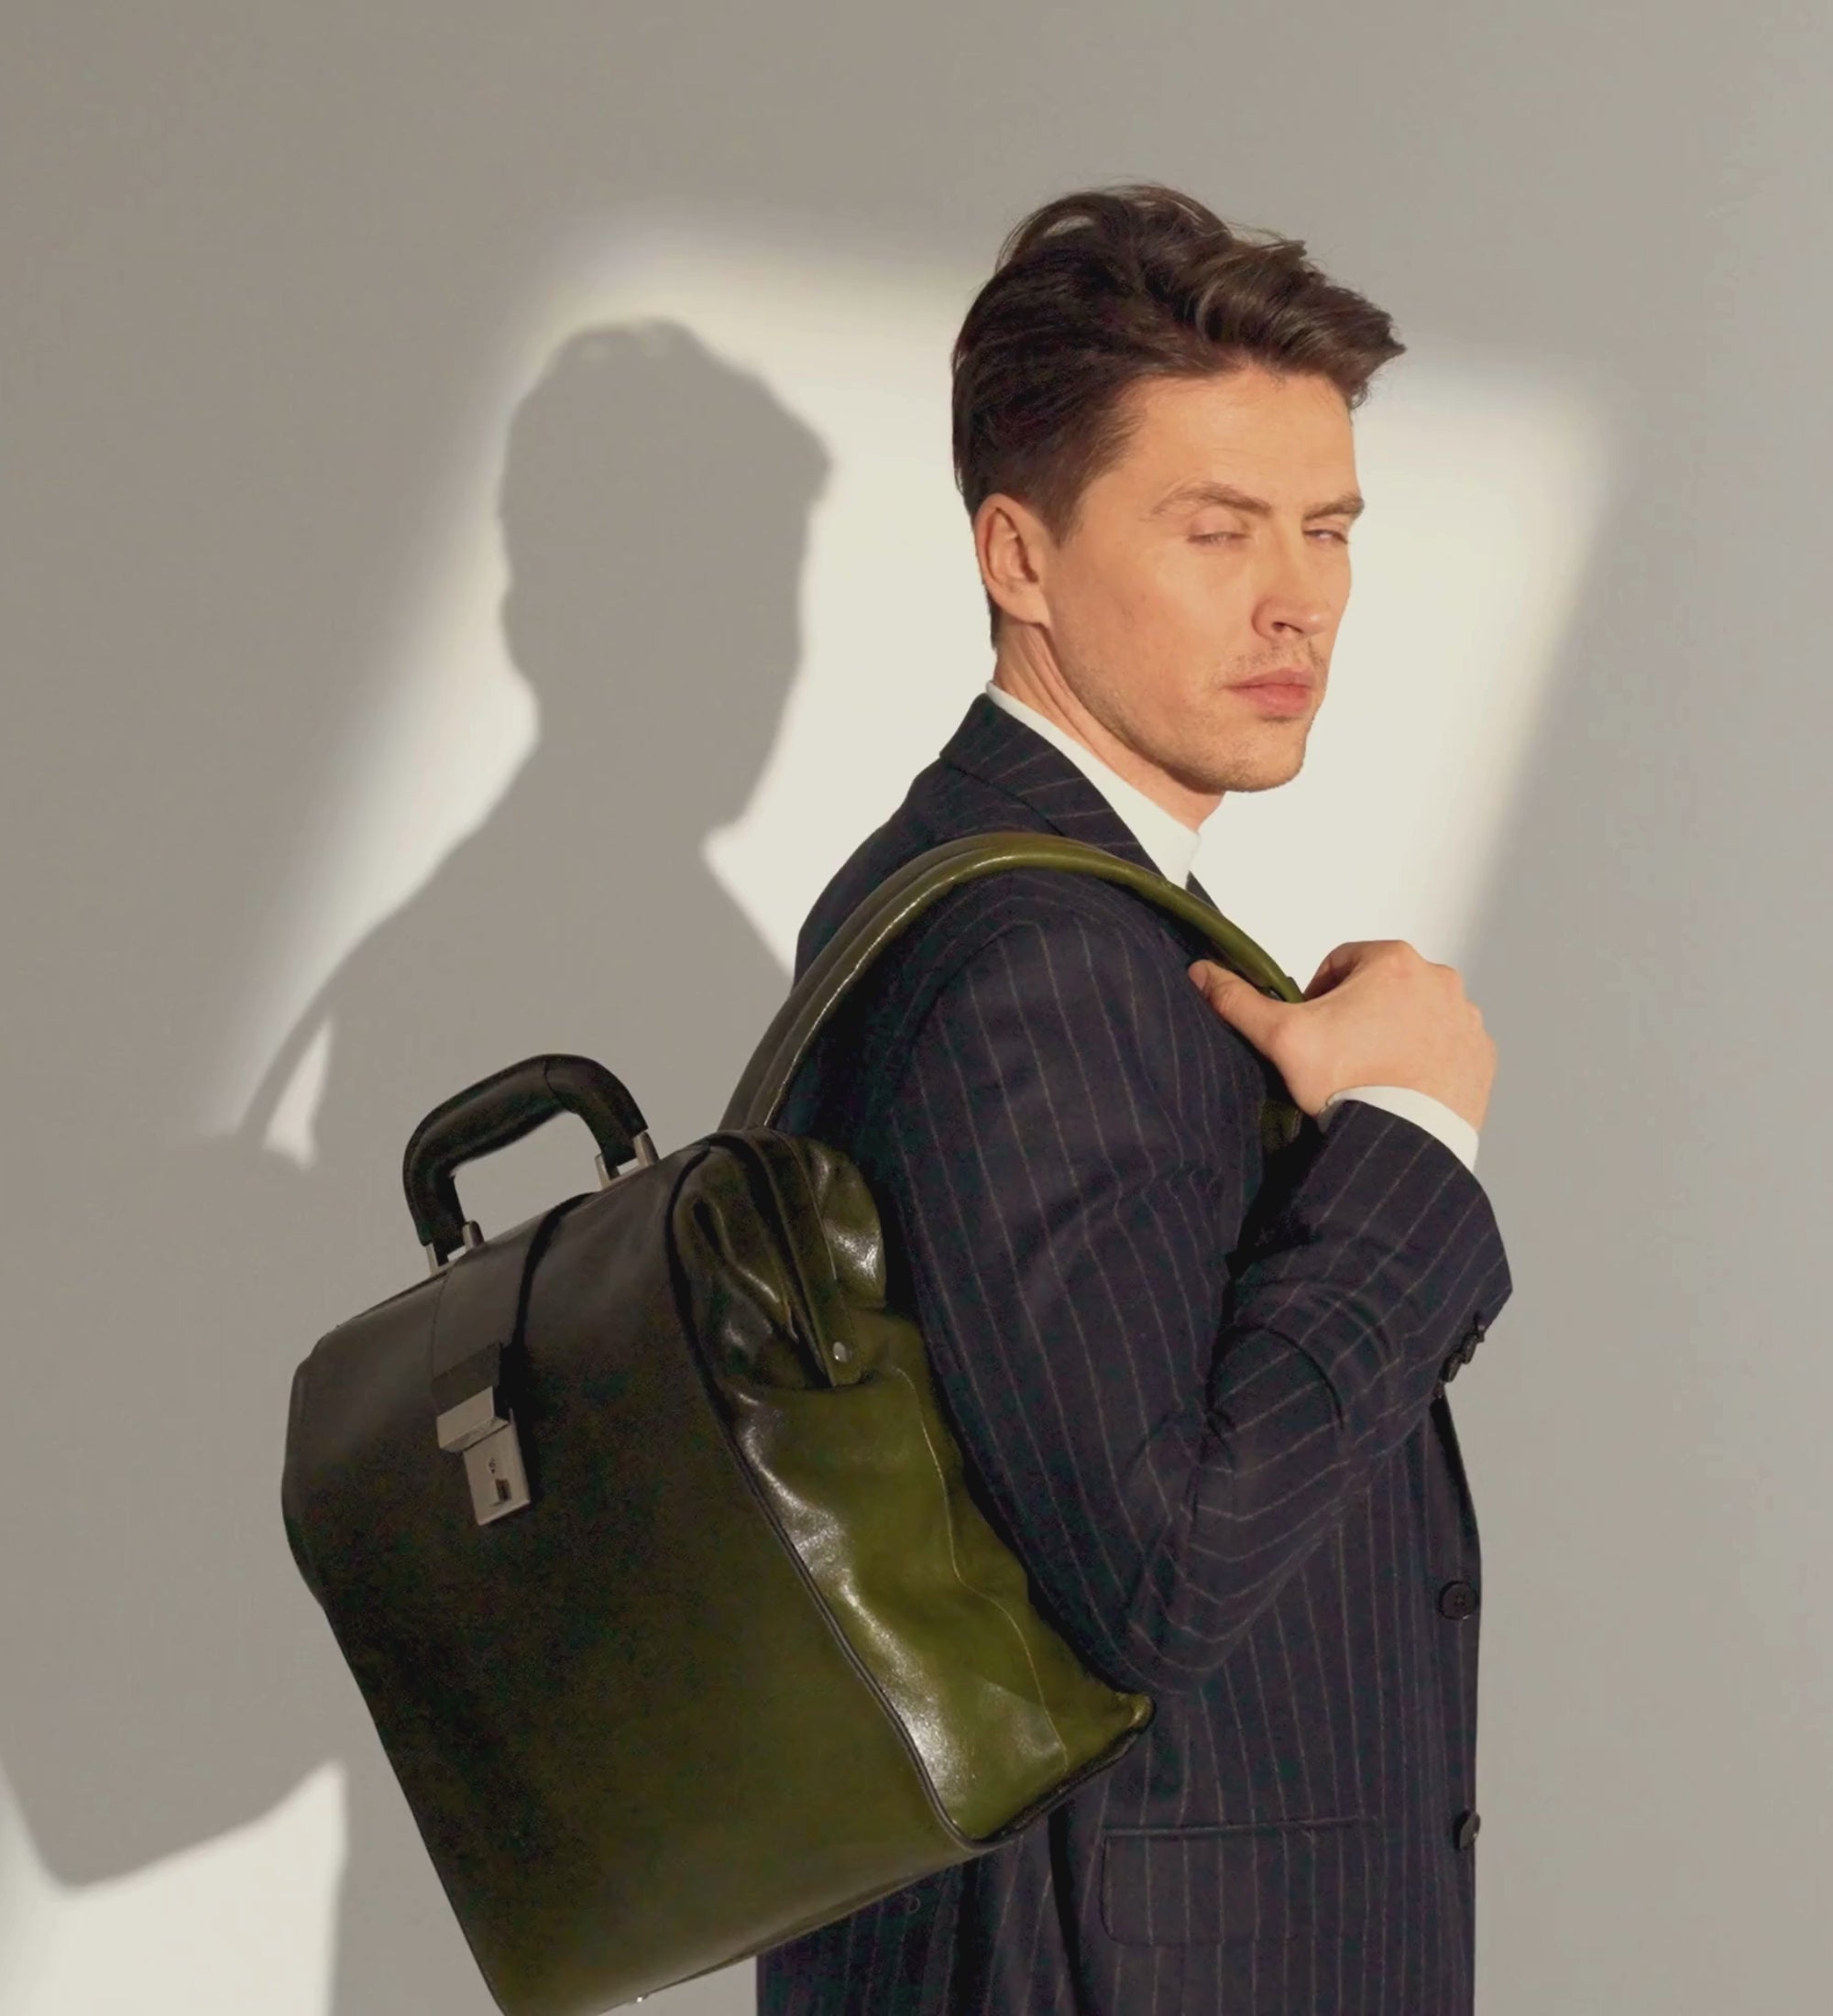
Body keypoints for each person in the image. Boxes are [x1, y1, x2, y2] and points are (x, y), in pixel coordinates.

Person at [757, 182, 1510, 2016]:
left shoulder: (993, 890)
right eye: (1216, 527)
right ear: (1017, 557)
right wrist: (1410, 1138)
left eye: (1327, 529)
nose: (1297, 598)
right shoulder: (1035, 956)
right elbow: (1161, 1572)